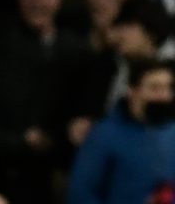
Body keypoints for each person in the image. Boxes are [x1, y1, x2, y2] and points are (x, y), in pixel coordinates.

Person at [67, 60, 175, 204]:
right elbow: (81, 193)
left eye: (168, 88)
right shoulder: (105, 135)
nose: (164, 96)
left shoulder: (171, 131)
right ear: (132, 91)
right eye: (155, 88)